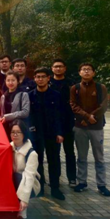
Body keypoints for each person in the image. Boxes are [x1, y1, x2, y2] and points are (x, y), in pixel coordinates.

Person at [70, 63, 110, 197]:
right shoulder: (75, 88)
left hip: (96, 127)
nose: (86, 71)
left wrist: (91, 117)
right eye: (84, 69)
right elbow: (73, 105)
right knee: (81, 157)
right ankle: (82, 182)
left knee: (99, 157)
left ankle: (102, 185)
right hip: (80, 127)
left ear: (93, 73)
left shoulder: (100, 87)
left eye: (89, 69)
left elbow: (104, 106)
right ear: (79, 72)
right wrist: (87, 117)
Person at [27, 67, 64, 200]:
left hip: (52, 133)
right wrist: (30, 130)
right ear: (34, 79)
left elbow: (60, 115)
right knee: (37, 161)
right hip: (36, 133)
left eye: (43, 77)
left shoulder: (56, 95)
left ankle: (55, 188)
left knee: (54, 160)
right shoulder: (30, 95)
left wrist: (60, 132)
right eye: (38, 77)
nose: (40, 79)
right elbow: (28, 115)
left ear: (48, 78)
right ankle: (40, 187)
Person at [50, 59, 77, 188]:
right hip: (53, 122)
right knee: (54, 153)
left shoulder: (71, 84)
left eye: (60, 66)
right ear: (52, 69)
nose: (58, 68)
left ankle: (72, 178)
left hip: (68, 121)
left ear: (65, 68)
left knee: (69, 152)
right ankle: (56, 178)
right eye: (56, 66)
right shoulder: (48, 83)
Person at [10, 120, 39, 219]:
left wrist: (24, 199)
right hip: (15, 180)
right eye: (13, 132)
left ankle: (22, 207)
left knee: (18, 176)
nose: (15, 135)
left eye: (18, 132)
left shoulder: (32, 153)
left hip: (29, 184)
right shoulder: (9, 148)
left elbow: (29, 177)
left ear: (24, 134)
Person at [0, 71, 30, 137]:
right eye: (8, 80)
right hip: (6, 128)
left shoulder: (23, 94)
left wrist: (8, 117)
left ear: (18, 81)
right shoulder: (3, 96)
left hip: (19, 128)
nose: (10, 83)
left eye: (13, 80)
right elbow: (2, 114)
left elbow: (25, 112)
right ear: (5, 81)